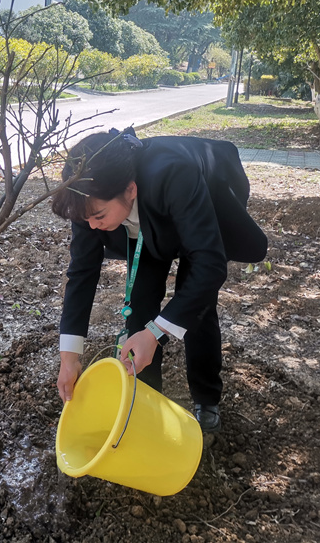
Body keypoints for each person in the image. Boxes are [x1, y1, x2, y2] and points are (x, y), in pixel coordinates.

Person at [51, 129, 268, 433]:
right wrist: (69, 356)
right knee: (139, 307)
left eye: (98, 217)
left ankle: (207, 399)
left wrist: (157, 332)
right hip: (144, 229)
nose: (92, 227)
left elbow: (210, 265)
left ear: (130, 189)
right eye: (86, 220)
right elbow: (82, 272)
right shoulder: (88, 202)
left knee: (195, 306)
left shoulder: (173, 173)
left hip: (202, 208)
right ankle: (144, 400)